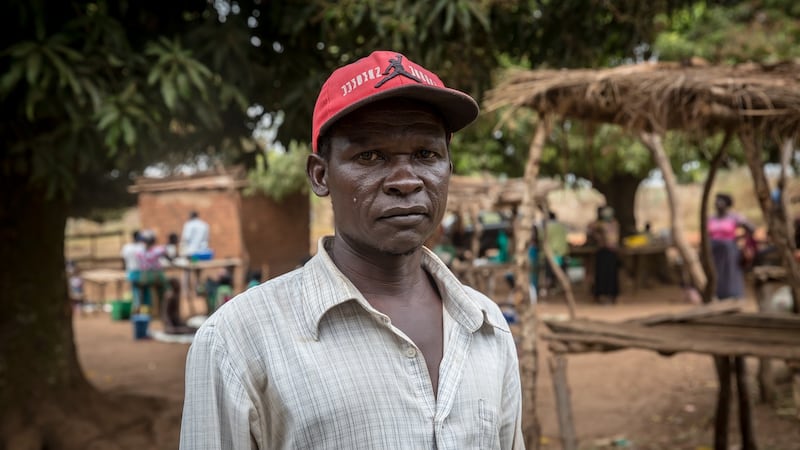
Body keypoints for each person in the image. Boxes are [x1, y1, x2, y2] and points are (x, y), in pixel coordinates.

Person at [180, 50, 524, 449]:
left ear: (448, 168)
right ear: (321, 175)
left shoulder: (486, 326)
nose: (405, 180)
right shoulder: (238, 339)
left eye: (425, 154)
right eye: (369, 156)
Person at [708, 193, 753, 300]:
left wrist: (739, 238)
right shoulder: (710, 218)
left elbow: (751, 229)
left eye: (720, 200)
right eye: (716, 200)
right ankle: (717, 294)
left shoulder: (735, 217)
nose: (717, 203)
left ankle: (733, 294)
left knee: (731, 272)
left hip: (729, 250)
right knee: (715, 271)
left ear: (727, 204)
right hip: (713, 249)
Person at [589, 205, 620, 304]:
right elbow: (591, 227)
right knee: (602, 274)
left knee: (611, 274)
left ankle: (611, 295)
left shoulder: (613, 223)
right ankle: (601, 295)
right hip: (603, 251)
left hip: (611, 252)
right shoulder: (600, 224)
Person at [120, 230, 144, 309]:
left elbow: (123, 260)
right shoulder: (141, 247)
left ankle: (137, 307)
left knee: (135, 291)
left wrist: (125, 268)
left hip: (131, 272)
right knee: (139, 291)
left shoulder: (127, 247)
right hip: (139, 272)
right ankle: (138, 308)